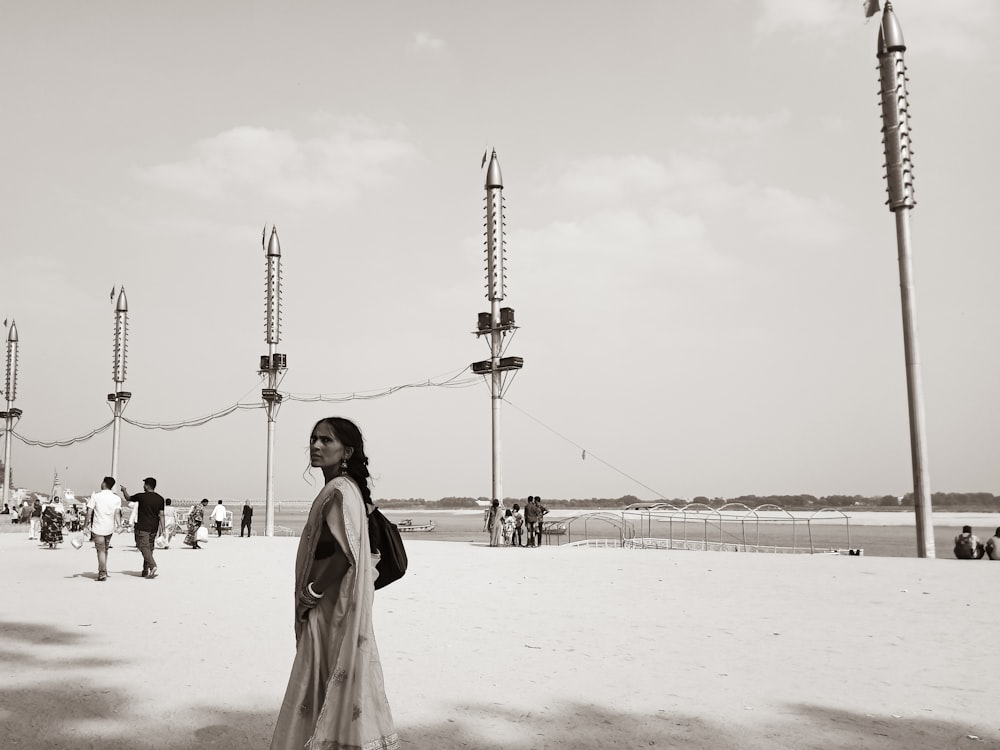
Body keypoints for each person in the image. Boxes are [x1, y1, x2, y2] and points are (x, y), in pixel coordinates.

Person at [270, 416, 397, 750]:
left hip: (327, 605)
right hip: (334, 604)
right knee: (328, 678)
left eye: (326, 440)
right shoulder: (347, 489)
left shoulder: (339, 491)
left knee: (318, 675)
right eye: (313, 439)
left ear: (347, 451)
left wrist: (312, 590)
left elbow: (346, 554)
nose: (316, 446)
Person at [121, 477, 166, 579]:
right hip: (154, 527)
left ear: (147, 485)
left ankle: (152, 565)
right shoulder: (160, 498)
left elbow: (128, 498)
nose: (143, 486)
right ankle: (145, 570)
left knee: (143, 547)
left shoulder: (141, 496)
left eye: (144, 484)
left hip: (142, 526)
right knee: (149, 549)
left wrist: (124, 490)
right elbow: (161, 515)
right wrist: (163, 529)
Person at [85, 477, 123, 582]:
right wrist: (119, 525)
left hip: (97, 528)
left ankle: (102, 572)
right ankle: (104, 570)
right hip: (109, 528)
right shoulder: (117, 498)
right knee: (105, 549)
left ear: (104, 484)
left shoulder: (95, 496)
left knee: (100, 550)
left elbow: (89, 512)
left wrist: (85, 526)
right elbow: (117, 514)